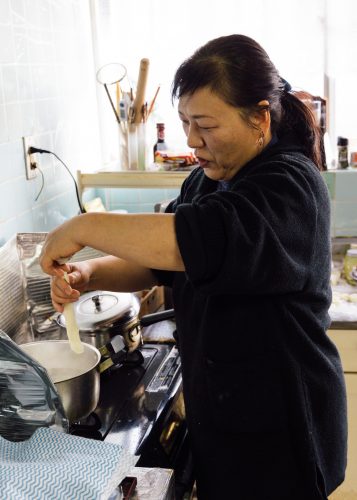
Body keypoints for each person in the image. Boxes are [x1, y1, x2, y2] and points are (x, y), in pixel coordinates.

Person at [40, 34, 347, 499]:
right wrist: (91, 275)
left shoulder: (289, 185)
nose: (191, 139)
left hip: (285, 426)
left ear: (259, 117)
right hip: (227, 415)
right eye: (184, 121)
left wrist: (83, 227)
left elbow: (193, 244)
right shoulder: (209, 179)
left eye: (205, 124)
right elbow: (162, 258)